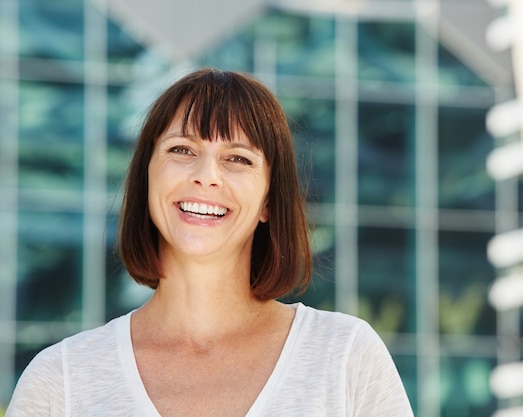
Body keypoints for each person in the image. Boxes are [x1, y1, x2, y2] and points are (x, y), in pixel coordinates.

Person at [7, 68, 414, 416]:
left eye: (238, 158)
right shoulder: (61, 380)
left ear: (269, 201)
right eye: (182, 149)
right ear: (147, 178)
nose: (206, 175)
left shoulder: (345, 357)